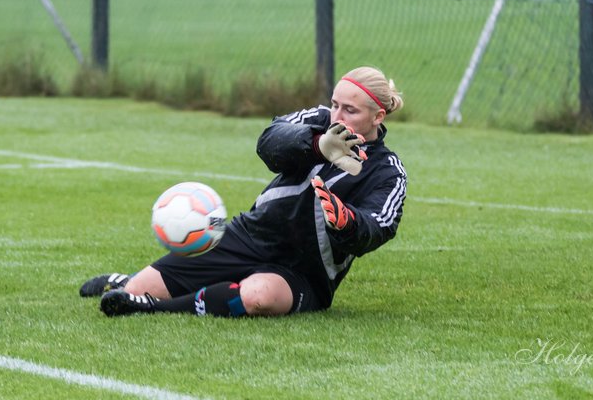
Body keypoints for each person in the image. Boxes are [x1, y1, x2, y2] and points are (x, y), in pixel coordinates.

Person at [80, 66, 408, 317]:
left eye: (349, 111)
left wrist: (347, 222)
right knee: (142, 286)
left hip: (305, 271)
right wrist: (318, 146)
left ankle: (148, 308)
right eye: (335, 104)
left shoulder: (388, 171)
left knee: (257, 298)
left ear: (378, 116)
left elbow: (378, 225)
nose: (337, 116)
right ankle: (128, 281)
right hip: (249, 234)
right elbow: (269, 142)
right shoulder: (318, 120)